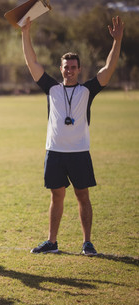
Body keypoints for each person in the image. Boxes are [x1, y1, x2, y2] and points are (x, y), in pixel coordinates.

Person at [21, 16, 124, 255]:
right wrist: (25, 33)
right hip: (55, 152)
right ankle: (52, 242)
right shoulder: (52, 89)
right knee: (56, 197)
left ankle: (87, 242)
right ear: (61, 69)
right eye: (66, 67)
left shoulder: (87, 90)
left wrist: (116, 42)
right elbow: (32, 62)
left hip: (79, 152)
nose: (69, 71)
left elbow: (108, 70)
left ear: (79, 69)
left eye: (73, 67)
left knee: (82, 196)